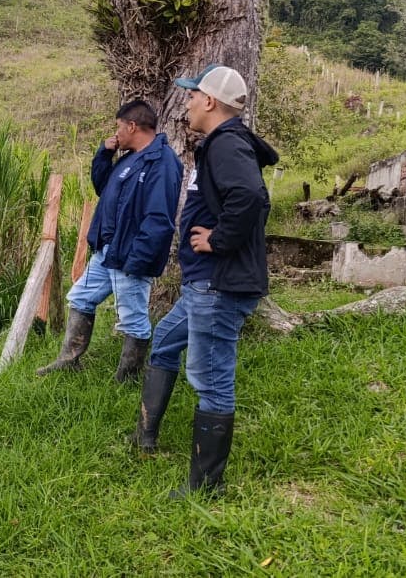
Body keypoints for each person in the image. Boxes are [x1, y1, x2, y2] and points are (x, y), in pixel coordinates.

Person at [127, 64, 278, 498]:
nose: (188, 103)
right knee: (165, 340)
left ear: (210, 101)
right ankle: (145, 435)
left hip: (217, 285)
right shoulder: (221, 143)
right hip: (203, 284)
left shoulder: (226, 143)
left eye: (193, 96)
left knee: (210, 378)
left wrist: (219, 239)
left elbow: (250, 197)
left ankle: (206, 486)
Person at [36, 100, 182, 382]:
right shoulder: (130, 158)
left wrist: (138, 260)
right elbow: (103, 186)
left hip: (130, 255)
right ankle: (68, 361)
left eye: (119, 127)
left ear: (132, 126)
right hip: (108, 252)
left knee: (132, 317)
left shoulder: (162, 163)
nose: (116, 133)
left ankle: (128, 378)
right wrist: (104, 154)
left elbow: (159, 219)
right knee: (80, 298)